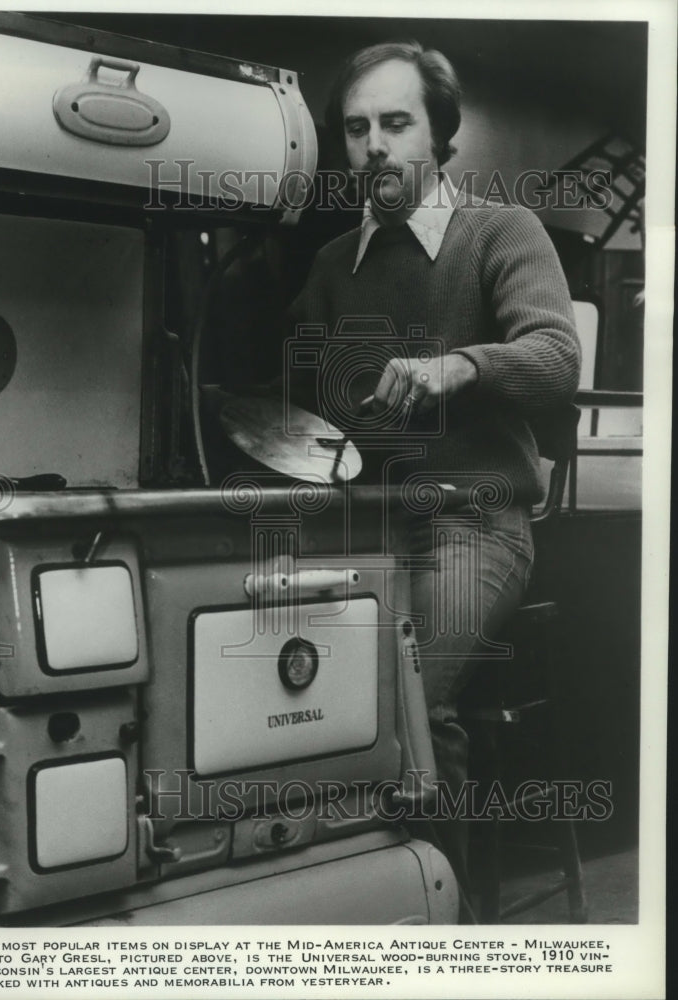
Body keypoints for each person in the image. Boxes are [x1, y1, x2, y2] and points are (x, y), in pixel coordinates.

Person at [285, 41, 581, 904]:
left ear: (440, 134)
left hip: (477, 524)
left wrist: (460, 366)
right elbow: (294, 398)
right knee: (294, 686)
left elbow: (556, 355)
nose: (374, 145)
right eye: (356, 128)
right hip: (367, 528)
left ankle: (438, 930)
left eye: (396, 123)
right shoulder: (333, 265)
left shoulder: (501, 230)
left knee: (404, 692)